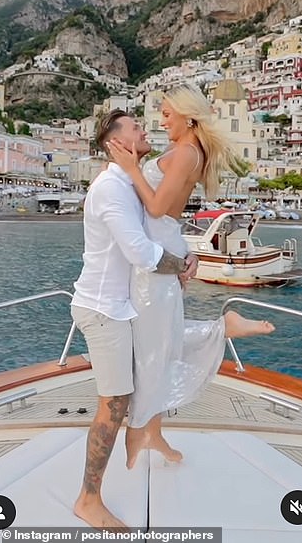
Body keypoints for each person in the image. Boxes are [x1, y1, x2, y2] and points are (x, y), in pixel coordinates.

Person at [108, 83, 275, 469]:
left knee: (152, 348)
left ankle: (222, 328)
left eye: (167, 113)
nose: (161, 120)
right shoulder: (185, 150)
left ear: (187, 116)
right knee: (159, 344)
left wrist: (132, 169)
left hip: (155, 255)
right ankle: (153, 433)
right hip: (164, 248)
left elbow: (156, 209)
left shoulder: (185, 152)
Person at [70, 109, 198, 529]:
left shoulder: (130, 185)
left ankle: (146, 435)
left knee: (134, 385)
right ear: (117, 142)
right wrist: (180, 265)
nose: (146, 129)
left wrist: (185, 253)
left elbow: (158, 231)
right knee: (114, 402)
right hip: (103, 309)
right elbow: (142, 254)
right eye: (136, 127)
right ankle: (88, 500)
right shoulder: (111, 189)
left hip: (120, 307)